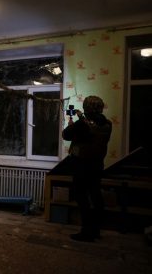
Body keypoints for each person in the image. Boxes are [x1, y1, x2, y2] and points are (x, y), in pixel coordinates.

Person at [62, 96, 112, 242]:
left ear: (86, 108)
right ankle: (95, 230)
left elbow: (66, 135)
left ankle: (86, 232)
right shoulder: (107, 124)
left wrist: (73, 122)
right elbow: (93, 133)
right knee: (96, 197)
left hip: (82, 166)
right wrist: (80, 119)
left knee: (81, 197)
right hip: (97, 166)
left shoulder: (83, 124)